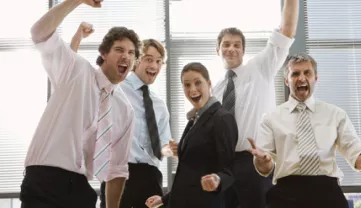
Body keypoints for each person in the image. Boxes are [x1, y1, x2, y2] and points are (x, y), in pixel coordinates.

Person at [20, 1, 141, 208]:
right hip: (45, 178)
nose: (126, 56)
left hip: (81, 188)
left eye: (131, 53)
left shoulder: (125, 110)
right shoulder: (76, 70)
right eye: (119, 49)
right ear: (103, 54)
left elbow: (117, 169)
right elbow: (39, 32)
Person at [248, 52, 361, 208]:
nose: (301, 78)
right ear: (287, 80)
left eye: (307, 73)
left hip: (327, 193)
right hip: (286, 194)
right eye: (295, 74)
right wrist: (262, 161)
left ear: (315, 78)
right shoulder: (271, 118)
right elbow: (264, 168)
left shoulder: (336, 114)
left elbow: (357, 159)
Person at [71, 23, 173, 208]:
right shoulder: (115, 87)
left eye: (159, 61)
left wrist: (171, 149)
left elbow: (162, 145)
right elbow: (76, 71)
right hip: (120, 173)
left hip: (151, 175)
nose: (154, 65)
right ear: (137, 60)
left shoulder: (159, 105)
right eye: (149, 59)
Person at [211, 1, 299, 207]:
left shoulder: (260, 68)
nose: (231, 49)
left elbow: (286, 31)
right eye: (226, 44)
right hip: (222, 166)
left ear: (243, 51)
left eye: (236, 45)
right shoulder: (215, 90)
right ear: (218, 50)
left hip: (254, 162)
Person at [145, 62, 238, 208]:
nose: (192, 89)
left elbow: (229, 170)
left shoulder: (222, 118)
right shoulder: (195, 119)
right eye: (187, 85)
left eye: (198, 83)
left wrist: (217, 180)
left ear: (209, 84)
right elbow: (189, 174)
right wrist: (165, 199)